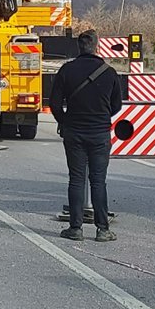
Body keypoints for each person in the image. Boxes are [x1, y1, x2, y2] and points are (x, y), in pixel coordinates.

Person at [51, 28, 123, 241]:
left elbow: (54, 103)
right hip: (100, 133)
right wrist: (101, 116)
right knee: (98, 181)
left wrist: (65, 121)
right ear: (97, 47)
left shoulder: (66, 70)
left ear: (78, 47)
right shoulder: (109, 72)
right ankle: (102, 229)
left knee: (76, 179)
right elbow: (116, 105)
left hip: (74, 133)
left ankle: (76, 228)